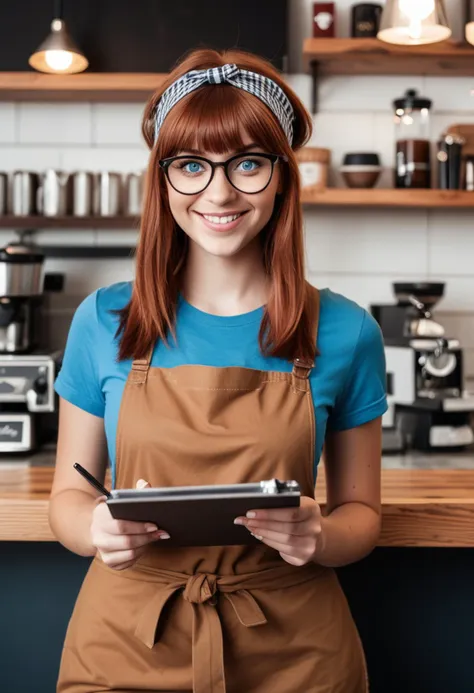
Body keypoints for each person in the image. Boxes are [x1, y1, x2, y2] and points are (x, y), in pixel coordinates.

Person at [49, 47, 387, 693]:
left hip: (298, 652)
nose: (220, 191)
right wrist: (93, 528)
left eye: (249, 164)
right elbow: (67, 497)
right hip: (124, 644)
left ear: (283, 176)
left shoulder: (347, 331)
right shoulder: (104, 318)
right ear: (163, 179)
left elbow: (361, 514)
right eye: (191, 166)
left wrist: (320, 534)